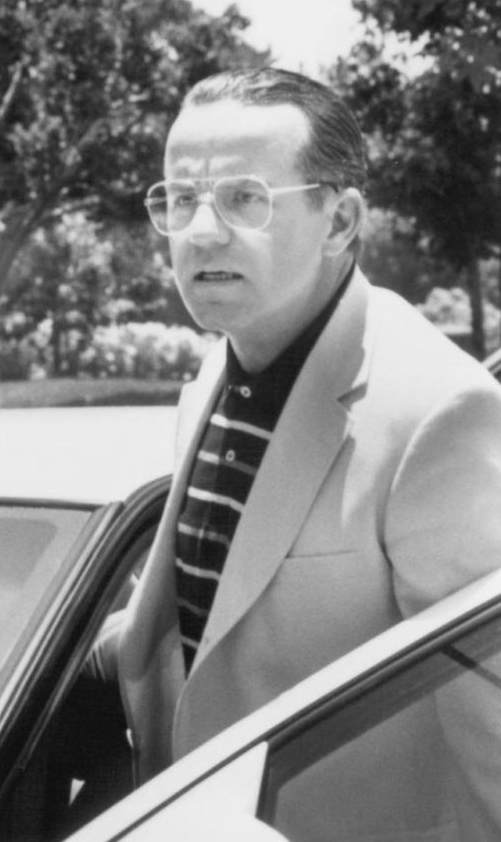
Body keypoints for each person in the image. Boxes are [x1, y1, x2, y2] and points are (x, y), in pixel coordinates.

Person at [94, 68, 501, 839]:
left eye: (244, 198)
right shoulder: (218, 372)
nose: (201, 230)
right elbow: (200, 632)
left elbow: (493, 731)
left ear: (339, 221)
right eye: (180, 198)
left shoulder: (438, 413)